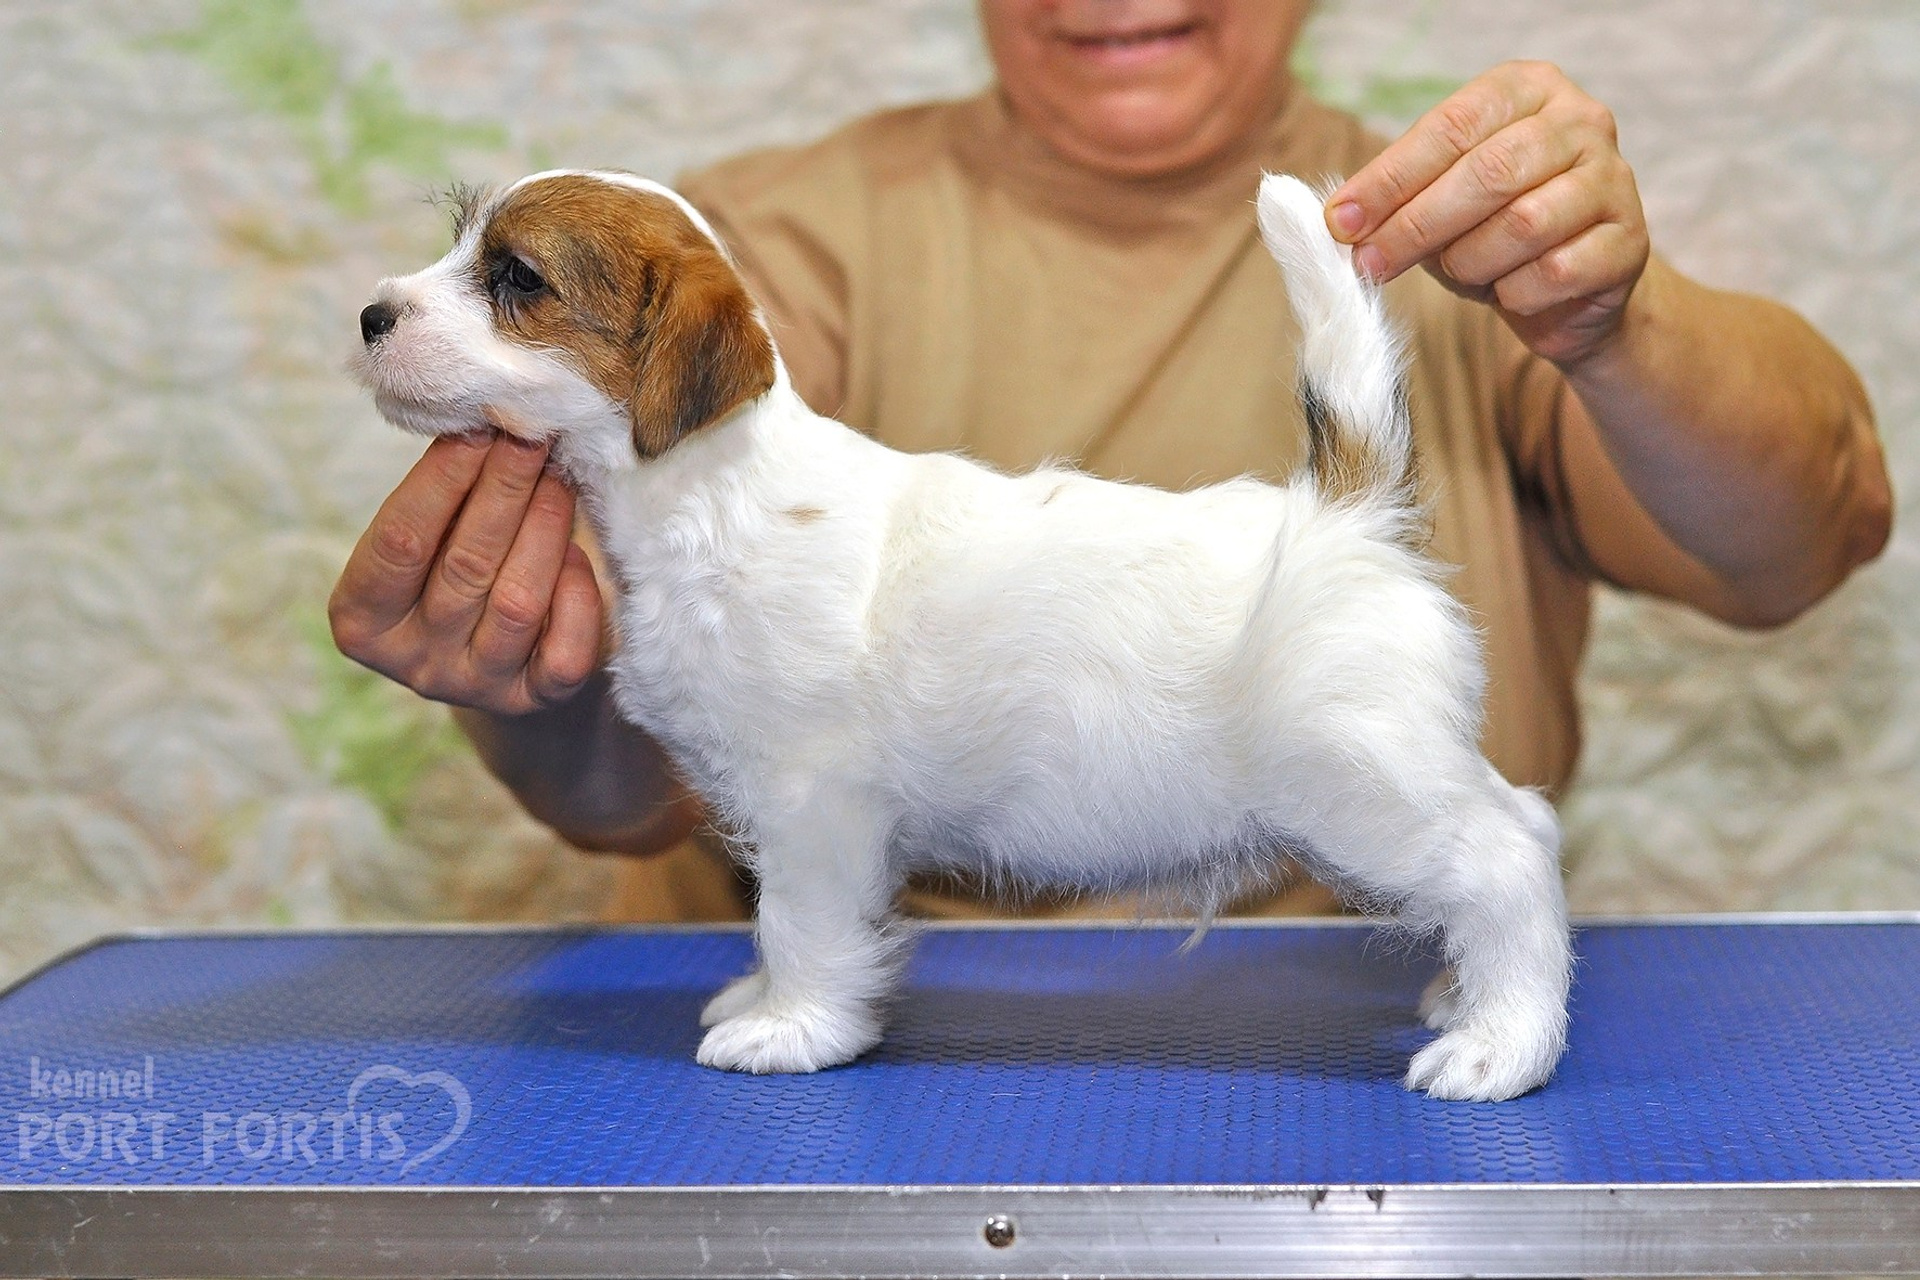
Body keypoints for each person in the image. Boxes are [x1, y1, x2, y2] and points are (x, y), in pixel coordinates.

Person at [328, 1, 1891, 922]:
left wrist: (1613, 317)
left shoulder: (1464, 241)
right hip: (888, 1026)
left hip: (1355, 1000)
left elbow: (1804, 541)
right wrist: (528, 686)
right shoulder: (749, 249)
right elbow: (636, 786)